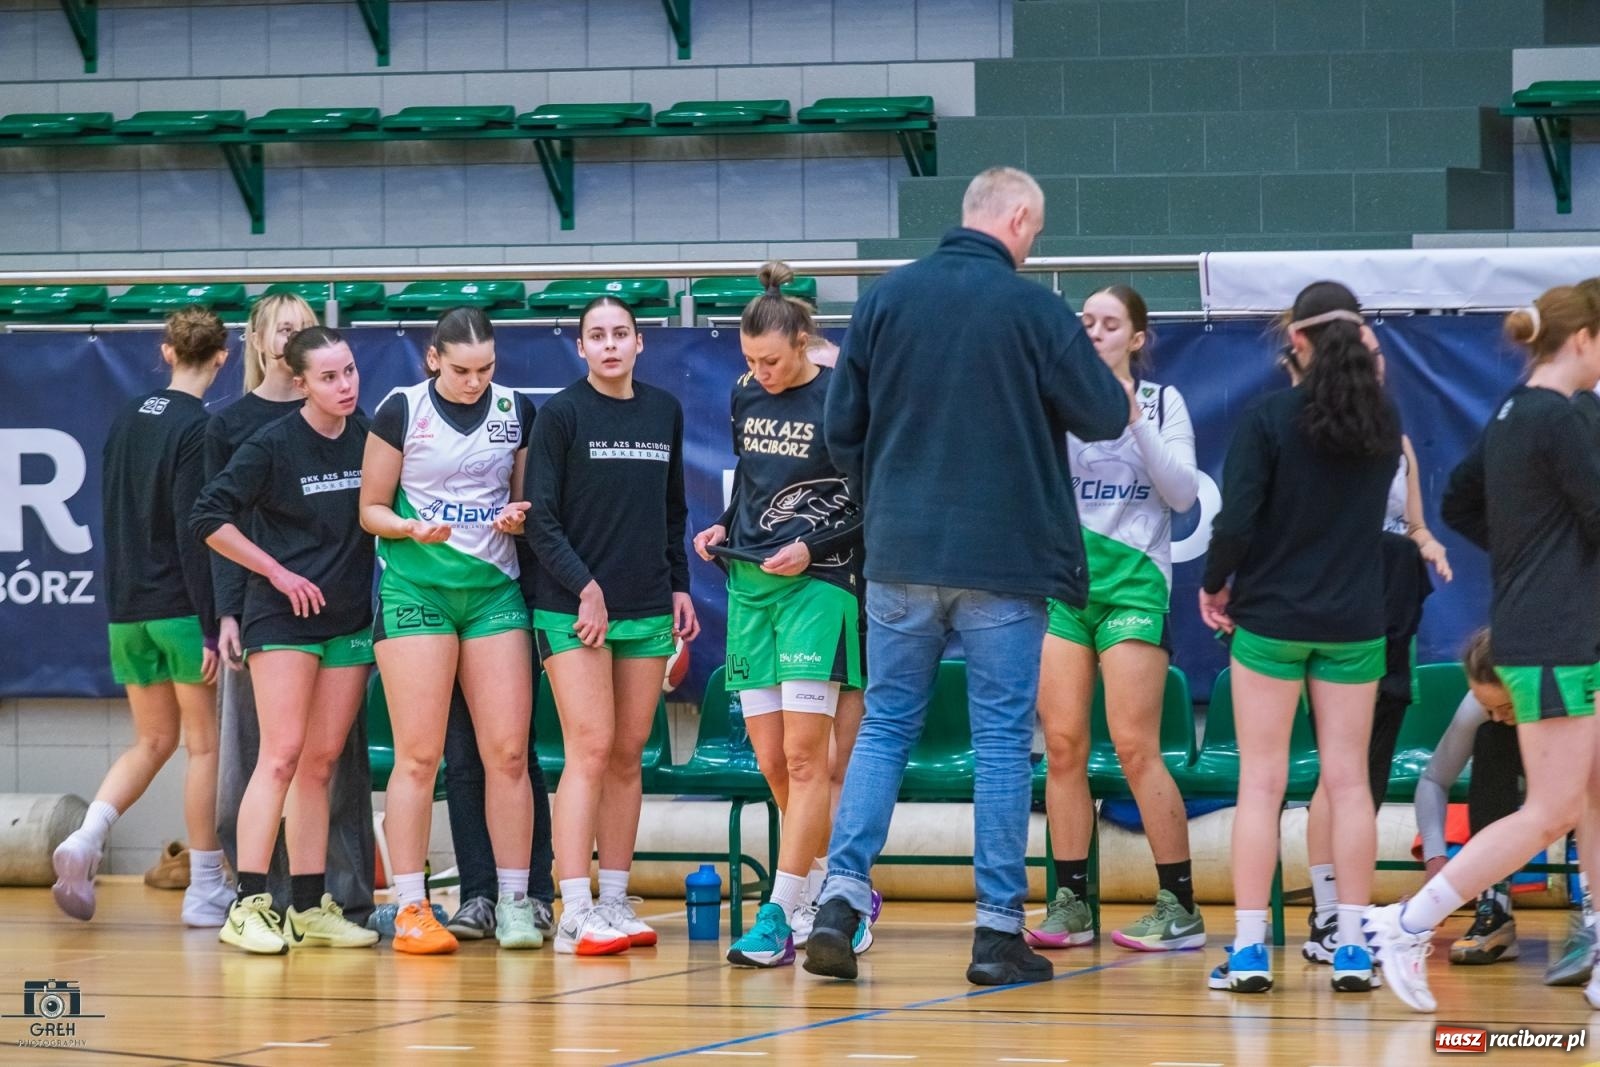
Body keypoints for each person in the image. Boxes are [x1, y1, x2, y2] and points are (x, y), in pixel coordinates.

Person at [802, 166, 1127, 986]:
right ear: (1018, 219)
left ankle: (838, 902)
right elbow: (1107, 414)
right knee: (1000, 746)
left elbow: (842, 429)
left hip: (900, 554)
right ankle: (993, 934)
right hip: (1004, 561)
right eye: (1036, 230)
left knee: (882, 728)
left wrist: (892, 496)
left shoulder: (884, 299)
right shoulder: (1036, 309)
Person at [1370, 285, 1600, 1013]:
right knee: (1553, 809)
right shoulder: (1554, 418)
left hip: (1554, 626)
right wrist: (1549, 560)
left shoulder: (1513, 413)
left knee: (1592, 796)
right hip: (1555, 634)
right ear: (1585, 340)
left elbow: (1463, 499)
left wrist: (1534, 552)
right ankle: (1407, 923)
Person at [1200, 281, 1402, 995]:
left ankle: (1251, 949)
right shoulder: (1383, 429)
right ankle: (1351, 945)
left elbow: (1238, 523)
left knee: (1261, 784)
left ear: (1300, 341)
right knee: (1348, 784)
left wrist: (1215, 583)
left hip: (1271, 623)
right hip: (1353, 623)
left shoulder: (1267, 419)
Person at [693, 262, 865, 968]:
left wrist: (809, 546)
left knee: (805, 755)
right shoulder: (743, 397)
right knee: (771, 760)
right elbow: (754, 484)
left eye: (771, 359)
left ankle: (779, 913)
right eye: (749, 361)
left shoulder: (842, 399)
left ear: (803, 342)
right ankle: (831, 891)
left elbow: (868, 503)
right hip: (751, 583)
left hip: (819, 583)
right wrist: (721, 528)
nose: (759, 372)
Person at [1027, 285, 1205, 953]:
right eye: (1087, 323)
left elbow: (1183, 494)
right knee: (1064, 745)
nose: (1095, 332)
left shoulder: (1163, 402)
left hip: (1134, 588)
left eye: (1110, 324)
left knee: (1134, 746)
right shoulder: (1053, 405)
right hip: (1065, 588)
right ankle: (1071, 901)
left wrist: (1131, 418)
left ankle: (1179, 904)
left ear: (1136, 337)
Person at [190, 327, 378, 954]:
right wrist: (273, 571)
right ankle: (247, 904)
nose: (344, 386)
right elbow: (208, 518)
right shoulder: (270, 445)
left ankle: (308, 905)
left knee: (321, 764)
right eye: (329, 377)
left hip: (348, 620)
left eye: (349, 371)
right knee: (282, 754)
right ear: (299, 383)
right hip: (283, 617)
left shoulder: (370, 436)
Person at [360, 307, 540, 955]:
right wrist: (407, 527)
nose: (474, 381)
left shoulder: (516, 409)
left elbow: (522, 498)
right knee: (418, 756)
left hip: (493, 590)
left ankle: (517, 901)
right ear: (434, 358)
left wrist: (520, 515)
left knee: (509, 754)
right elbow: (370, 508)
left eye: (485, 368)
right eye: (462, 369)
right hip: (417, 588)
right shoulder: (401, 409)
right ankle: (409, 904)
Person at [527, 296, 698, 956]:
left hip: (648, 603)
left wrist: (680, 583)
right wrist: (585, 587)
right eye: (595, 335)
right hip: (573, 609)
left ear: (639, 343)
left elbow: (673, 510)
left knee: (629, 755)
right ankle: (574, 907)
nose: (609, 344)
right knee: (590, 748)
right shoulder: (562, 415)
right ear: (580, 347)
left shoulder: (665, 411)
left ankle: (617, 898)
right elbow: (541, 517)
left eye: (619, 333)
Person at [52, 307, 231, 926]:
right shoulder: (200, 428)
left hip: (126, 608)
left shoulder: (128, 417)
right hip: (180, 609)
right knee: (202, 747)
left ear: (165, 352)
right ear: (222, 358)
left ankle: (83, 838)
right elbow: (194, 530)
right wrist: (211, 623)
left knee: (152, 740)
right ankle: (207, 887)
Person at [1295, 337, 1450, 966]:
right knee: (1340, 768)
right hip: (1339, 603)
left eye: (1383, 358)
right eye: (1366, 356)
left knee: (1372, 765)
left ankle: (1349, 918)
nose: (1376, 366)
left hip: (1393, 604)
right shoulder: (1314, 437)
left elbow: (1412, 522)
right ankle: (1327, 914)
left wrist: (1429, 542)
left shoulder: (1398, 444)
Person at [1413, 628, 1527, 968]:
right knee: (1491, 739)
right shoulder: (1481, 713)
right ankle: (1495, 911)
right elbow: (1433, 780)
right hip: (1528, 780)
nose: (1497, 716)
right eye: (1486, 706)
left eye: (1505, 707)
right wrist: (1436, 862)